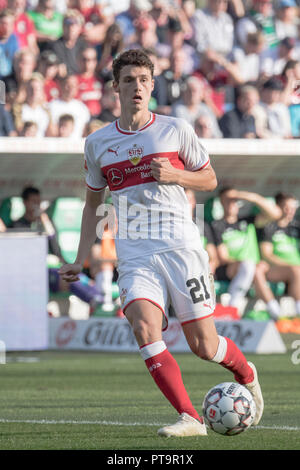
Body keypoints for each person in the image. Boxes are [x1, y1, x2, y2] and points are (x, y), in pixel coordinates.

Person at [59, 49, 264, 437]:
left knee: (204, 346)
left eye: (143, 80)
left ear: (152, 85)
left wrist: (176, 176)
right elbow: (92, 206)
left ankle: (245, 371)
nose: (136, 87)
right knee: (143, 327)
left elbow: (209, 180)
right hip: (135, 253)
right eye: (128, 80)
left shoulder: (176, 129)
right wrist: (80, 257)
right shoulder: (97, 143)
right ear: (115, 88)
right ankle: (191, 417)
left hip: (180, 248)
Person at [211, 187, 282, 309]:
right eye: (228, 200)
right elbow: (223, 257)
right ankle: (234, 307)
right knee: (249, 267)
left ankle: (274, 313)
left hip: (253, 270)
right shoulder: (216, 225)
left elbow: (276, 214)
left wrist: (250, 197)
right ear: (221, 202)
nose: (232, 203)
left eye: (235, 200)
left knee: (254, 270)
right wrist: (246, 264)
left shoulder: (248, 221)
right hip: (231, 269)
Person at [254, 192, 300, 319]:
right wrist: (291, 266)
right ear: (278, 207)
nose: (290, 211)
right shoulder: (269, 226)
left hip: (295, 270)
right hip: (277, 269)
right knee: (296, 271)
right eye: (286, 207)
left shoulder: (296, 227)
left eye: (293, 208)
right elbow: (267, 255)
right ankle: (284, 313)